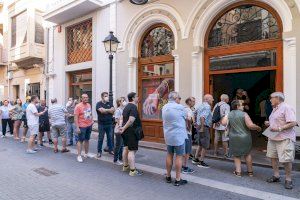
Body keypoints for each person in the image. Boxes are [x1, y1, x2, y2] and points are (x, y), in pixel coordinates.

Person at [264, 92, 298, 190]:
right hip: (273, 137)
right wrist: (269, 123)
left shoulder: (286, 107)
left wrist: (279, 129)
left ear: (277, 98)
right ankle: (276, 176)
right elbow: (277, 120)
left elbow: (293, 123)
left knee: (286, 160)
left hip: (284, 138)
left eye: (271, 98)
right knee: (273, 157)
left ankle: (288, 179)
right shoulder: (275, 109)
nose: (270, 100)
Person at [221, 100, 261, 177]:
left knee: (236, 155)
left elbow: (223, 123)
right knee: (247, 154)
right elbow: (250, 125)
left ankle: (238, 172)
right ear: (237, 106)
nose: (243, 106)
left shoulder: (229, 114)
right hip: (245, 137)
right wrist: (258, 127)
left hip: (234, 137)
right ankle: (250, 172)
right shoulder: (244, 114)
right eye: (241, 105)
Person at [162, 92, 188, 186]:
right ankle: (177, 179)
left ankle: (168, 176)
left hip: (168, 135)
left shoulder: (164, 107)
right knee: (179, 156)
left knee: (169, 154)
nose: (180, 100)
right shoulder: (180, 107)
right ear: (175, 98)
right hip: (178, 135)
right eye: (179, 98)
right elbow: (187, 117)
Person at [120, 92, 143, 176]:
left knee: (126, 148)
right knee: (132, 151)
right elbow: (131, 120)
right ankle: (133, 171)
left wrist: (121, 127)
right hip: (131, 131)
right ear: (133, 98)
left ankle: (125, 166)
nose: (138, 97)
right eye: (137, 96)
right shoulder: (133, 107)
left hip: (126, 131)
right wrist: (124, 128)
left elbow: (122, 118)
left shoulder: (126, 107)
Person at [192, 94, 214, 168]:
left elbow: (194, 113)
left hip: (199, 126)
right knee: (205, 145)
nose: (213, 100)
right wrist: (202, 127)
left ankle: (195, 159)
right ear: (206, 99)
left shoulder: (200, 105)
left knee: (200, 144)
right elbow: (202, 117)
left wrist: (195, 122)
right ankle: (201, 161)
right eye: (211, 98)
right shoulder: (207, 107)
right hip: (203, 127)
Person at [74, 94, 93, 163]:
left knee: (87, 139)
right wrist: (77, 127)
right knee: (80, 140)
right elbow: (75, 117)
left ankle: (86, 153)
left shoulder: (89, 105)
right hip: (81, 126)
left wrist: (92, 120)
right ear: (81, 99)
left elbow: (90, 114)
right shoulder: (78, 106)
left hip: (89, 125)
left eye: (87, 97)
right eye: (84, 98)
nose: (86, 98)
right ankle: (79, 155)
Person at [96, 92, 115, 157]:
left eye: (107, 96)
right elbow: (101, 111)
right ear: (102, 97)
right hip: (101, 124)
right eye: (105, 96)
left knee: (110, 137)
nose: (107, 97)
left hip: (109, 124)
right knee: (101, 138)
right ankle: (99, 151)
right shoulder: (99, 104)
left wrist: (105, 110)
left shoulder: (110, 103)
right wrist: (109, 110)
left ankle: (111, 150)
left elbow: (113, 110)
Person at [182, 97, 195, 174]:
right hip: (187, 133)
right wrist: (189, 127)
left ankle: (181, 165)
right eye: (193, 101)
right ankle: (184, 167)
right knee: (187, 151)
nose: (194, 102)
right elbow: (189, 119)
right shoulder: (189, 110)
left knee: (182, 150)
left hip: (181, 132)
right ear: (189, 102)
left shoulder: (182, 108)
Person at [113, 97, 126, 165]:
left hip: (123, 129)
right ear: (119, 102)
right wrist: (121, 127)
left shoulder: (124, 109)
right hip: (119, 129)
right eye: (123, 101)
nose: (124, 102)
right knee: (118, 145)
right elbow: (116, 120)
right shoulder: (118, 110)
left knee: (122, 144)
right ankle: (115, 159)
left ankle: (120, 157)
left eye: (124, 100)